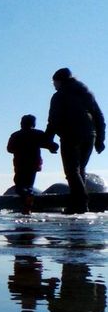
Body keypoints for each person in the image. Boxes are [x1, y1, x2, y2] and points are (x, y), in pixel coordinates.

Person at [44, 68, 106, 214]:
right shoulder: (86, 94)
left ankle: (80, 203)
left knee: (72, 171)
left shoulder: (59, 96)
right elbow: (99, 117)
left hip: (71, 135)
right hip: (90, 135)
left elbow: (53, 120)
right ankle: (79, 203)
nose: (54, 85)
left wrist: (48, 141)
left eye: (54, 82)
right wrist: (100, 140)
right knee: (80, 170)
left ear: (59, 81)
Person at [6, 114, 58, 214]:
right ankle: (27, 204)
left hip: (20, 164)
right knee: (28, 184)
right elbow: (50, 145)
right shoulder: (37, 134)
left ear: (21, 123)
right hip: (33, 164)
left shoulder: (16, 135)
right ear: (33, 124)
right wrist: (53, 147)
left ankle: (27, 204)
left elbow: (9, 149)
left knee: (20, 185)